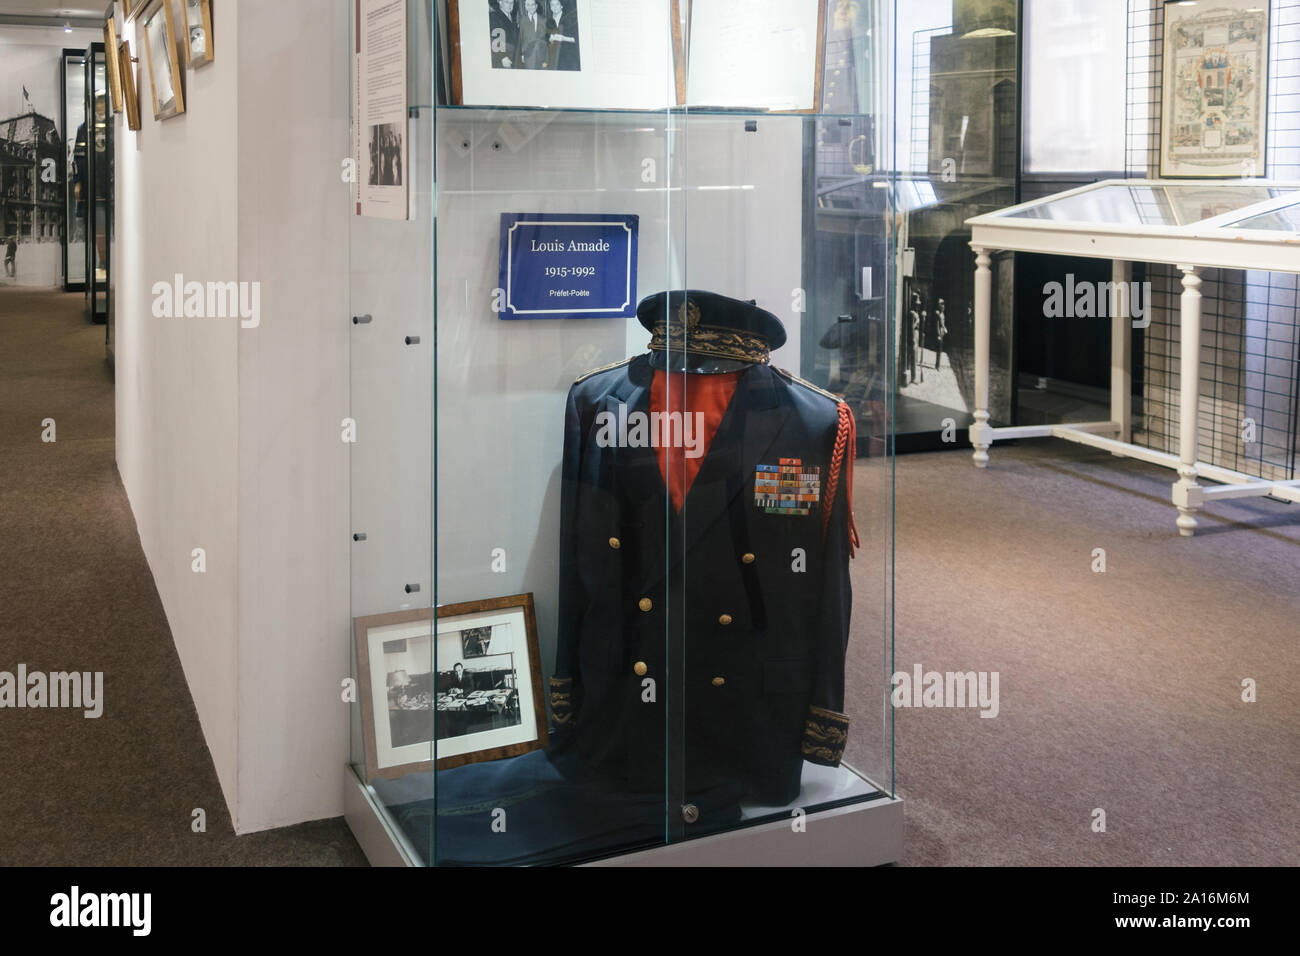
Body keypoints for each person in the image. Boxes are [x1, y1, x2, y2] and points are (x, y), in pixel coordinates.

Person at [545, 0, 580, 71]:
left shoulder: (571, 19)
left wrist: (564, 38)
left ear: (561, 6)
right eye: (552, 5)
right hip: (554, 58)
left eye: (557, 4)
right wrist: (549, 39)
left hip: (569, 58)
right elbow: (546, 37)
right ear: (550, 7)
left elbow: (578, 38)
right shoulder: (549, 21)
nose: (555, 7)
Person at [517, 0, 548, 70]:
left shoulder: (544, 19)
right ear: (525, 6)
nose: (530, 7)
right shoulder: (522, 20)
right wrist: (521, 54)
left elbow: (546, 39)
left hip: (542, 57)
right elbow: (521, 38)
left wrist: (546, 59)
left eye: (532, 4)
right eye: (528, 5)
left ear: (536, 6)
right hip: (528, 56)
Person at [489, 0, 518, 68]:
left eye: (512, 3)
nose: (510, 5)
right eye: (507, 2)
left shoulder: (512, 17)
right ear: (500, 2)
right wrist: (503, 57)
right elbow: (494, 40)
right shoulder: (494, 16)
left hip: (513, 57)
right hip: (503, 60)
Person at [932, 297, 947, 370]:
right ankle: (937, 366)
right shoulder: (937, 313)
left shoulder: (942, 313)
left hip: (942, 332)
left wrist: (944, 328)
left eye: (943, 304)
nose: (943, 305)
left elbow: (943, 323)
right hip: (939, 333)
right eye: (941, 304)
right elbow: (937, 325)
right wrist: (938, 335)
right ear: (938, 305)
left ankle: (938, 364)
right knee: (938, 350)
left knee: (940, 349)